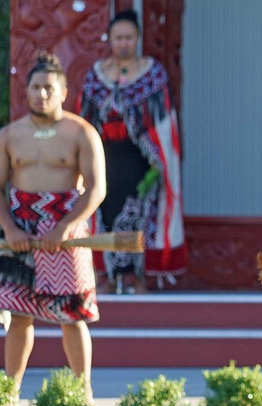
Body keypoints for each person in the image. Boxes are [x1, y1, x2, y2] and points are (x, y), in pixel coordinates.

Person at [0, 53, 106, 406]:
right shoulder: (9, 135)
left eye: (48, 88)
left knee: (73, 315)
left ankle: (83, 391)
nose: (41, 94)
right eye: (35, 88)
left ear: (63, 91)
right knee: (18, 314)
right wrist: (9, 227)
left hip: (66, 232)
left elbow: (97, 188)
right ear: (27, 91)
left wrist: (65, 227)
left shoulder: (82, 132)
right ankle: (10, 393)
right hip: (20, 229)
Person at [78, 9, 186, 294]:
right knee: (104, 214)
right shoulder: (95, 77)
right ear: (110, 40)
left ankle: (137, 276)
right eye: (118, 38)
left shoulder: (153, 75)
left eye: (129, 37)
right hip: (105, 159)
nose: (123, 43)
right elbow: (84, 123)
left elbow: (165, 125)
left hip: (141, 161)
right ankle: (105, 275)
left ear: (137, 39)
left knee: (139, 216)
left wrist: (158, 163)